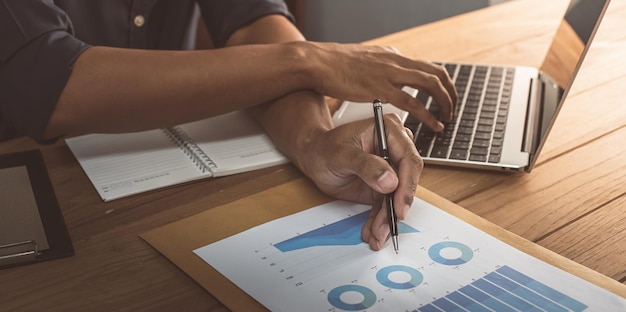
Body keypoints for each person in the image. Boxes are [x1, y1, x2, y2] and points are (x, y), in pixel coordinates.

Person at [0, 0, 457, 251]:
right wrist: (308, 60)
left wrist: (313, 141)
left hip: (154, 203)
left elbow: (254, 22)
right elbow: (51, 83)